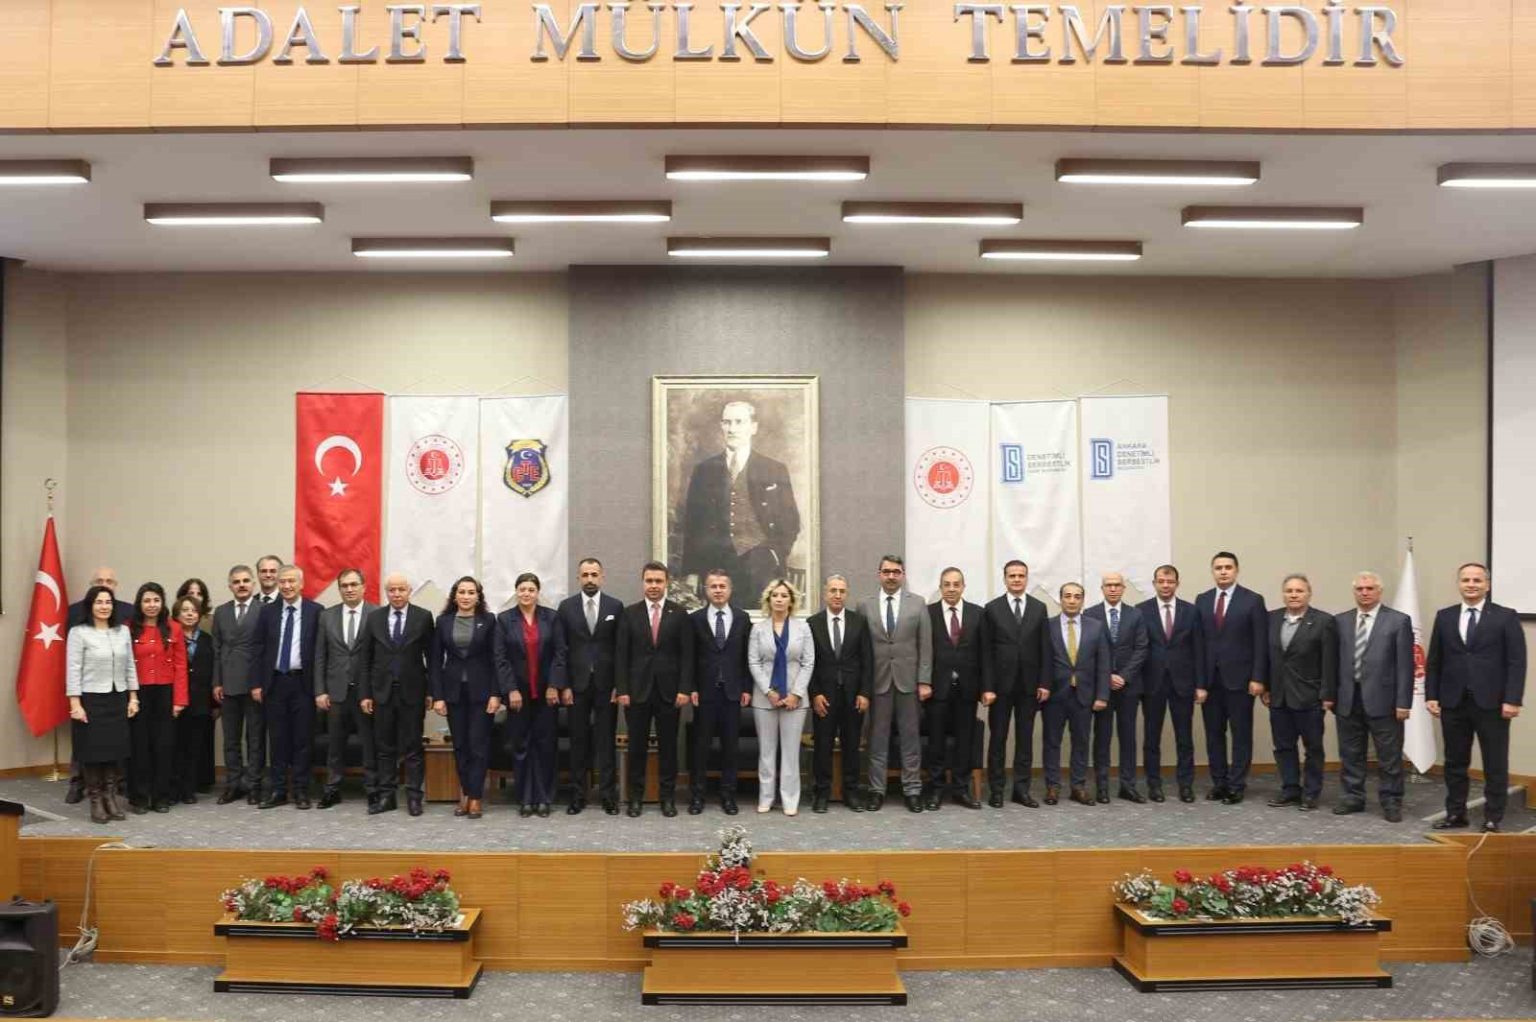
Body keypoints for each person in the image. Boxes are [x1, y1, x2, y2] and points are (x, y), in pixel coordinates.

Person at [1426, 562, 1526, 833]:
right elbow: (1435, 660)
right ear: (1459, 584)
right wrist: (1432, 695)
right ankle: (1455, 814)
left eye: (1477, 580)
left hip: (1492, 703)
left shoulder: (1505, 616)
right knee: (1454, 763)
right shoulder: (1445, 616)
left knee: (1495, 763)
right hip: (1453, 702)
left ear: (1487, 585)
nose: (1471, 585)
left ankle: (1493, 817)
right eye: (1466, 580)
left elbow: (1517, 662)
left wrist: (1513, 699)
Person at [680, 400, 801, 603]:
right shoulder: (704, 470)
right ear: (721, 426)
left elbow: (791, 521)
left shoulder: (774, 469)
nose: (732, 428)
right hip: (715, 567)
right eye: (727, 422)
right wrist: (692, 571)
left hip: (761, 567)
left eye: (739, 422)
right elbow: (693, 525)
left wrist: (775, 554)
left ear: (753, 427)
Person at [1330, 571, 1414, 822]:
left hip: (1385, 701)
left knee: (1389, 756)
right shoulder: (1340, 621)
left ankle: (1391, 801)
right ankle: (1352, 797)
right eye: (1360, 589)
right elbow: (1332, 662)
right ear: (1354, 592)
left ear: (1380, 591)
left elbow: (1405, 666)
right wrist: (1331, 695)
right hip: (1348, 699)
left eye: (1370, 588)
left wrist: (1403, 702)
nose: (1364, 593)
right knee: (1350, 754)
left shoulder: (1398, 621)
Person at [615, 561, 695, 818]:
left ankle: (667, 798)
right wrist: (622, 689)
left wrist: (684, 688)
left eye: (658, 581)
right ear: (643, 583)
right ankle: (635, 798)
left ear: (666, 583)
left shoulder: (679, 614)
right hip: (637, 692)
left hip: (670, 693)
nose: (653, 586)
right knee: (636, 747)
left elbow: (687, 656)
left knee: (669, 748)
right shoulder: (629, 613)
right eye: (649, 581)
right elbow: (621, 655)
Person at [1194, 551, 1268, 805]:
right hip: (1211, 682)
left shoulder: (1253, 600)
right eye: (1218, 567)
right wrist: (1199, 683)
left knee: (1240, 735)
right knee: (1214, 735)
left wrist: (1258, 677)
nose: (1223, 571)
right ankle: (1220, 783)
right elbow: (1199, 644)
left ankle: (1236, 785)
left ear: (1236, 570)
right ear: (1212, 571)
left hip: (1241, 681)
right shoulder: (1202, 600)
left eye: (1228, 567)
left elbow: (1260, 642)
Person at [357, 573, 434, 816]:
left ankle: (414, 797)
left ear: (409, 591)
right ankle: (387, 796)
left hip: (413, 692)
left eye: (401, 589)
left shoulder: (423, 617)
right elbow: (365, 660)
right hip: (382, 693)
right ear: (386, 592)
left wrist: (431, 691)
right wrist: (365, 694)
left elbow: (432, 658)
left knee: (413, 747)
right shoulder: (374, 618)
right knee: (384, 747)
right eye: (392, 590)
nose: (397, 594)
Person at [859, 555, 931, 814]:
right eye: (886, 571)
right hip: (877, 683)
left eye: (896, 572)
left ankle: (912, 790)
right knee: (876, 740)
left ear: (903, 574)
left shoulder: (918, 603)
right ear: (879, 574)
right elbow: (861, 649)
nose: (891, 576)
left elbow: (925, 645)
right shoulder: (864, 605)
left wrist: (924, 680)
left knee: (910, 739)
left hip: (908, 682)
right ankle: (876, 790)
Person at [979, 560, 1052, 808]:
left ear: (1027, 578)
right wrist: (987, 687)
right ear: (1005, 579)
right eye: (1012, 576)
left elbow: (1045, 649)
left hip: (1029, 687)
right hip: (1000, 688)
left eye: (1021, 575)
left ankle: (1021, 790)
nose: (1017, 579)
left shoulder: (1039, 608)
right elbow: (986, 653)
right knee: (998, 740)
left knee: (1025, 740)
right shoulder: (992, 608)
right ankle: (996, 790)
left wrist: (1044, 683)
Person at [495, 573, 568, 817]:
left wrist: (554, 685)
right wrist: (511, 690)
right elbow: (500, 658)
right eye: (522, 589)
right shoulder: (504, 620)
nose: (526, 593)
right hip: (518, 695)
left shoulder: (552, 617)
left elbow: (560, 653)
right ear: (516, 591)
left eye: (531, 589)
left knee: (546, 746)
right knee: (521, 746)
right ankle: (525, 798)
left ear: (538, 593)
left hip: (547, 694)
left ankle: (544, 798)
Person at [555, 557, 624, 815]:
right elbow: (561, 649)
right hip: (576, 685)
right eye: (585, 575)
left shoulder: (615, 606)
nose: (590, 579)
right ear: (578, 578)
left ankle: (608, 796)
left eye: (594, 574)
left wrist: (620, 685)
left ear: (602, 577)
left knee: (606, 742)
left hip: (607, 685)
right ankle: (577, 796)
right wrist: (563, 685)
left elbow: (620, 649)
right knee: (578, 742)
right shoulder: (566, 608)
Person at [1262, 574, 1336, 812]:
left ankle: (1311, 793)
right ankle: (1290, 789)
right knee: (1283, 746)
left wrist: (1327, 694)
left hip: (1310, 696)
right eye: (1289, 591)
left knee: (1312, 748)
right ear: (1283, 594)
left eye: (1299, 591)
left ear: (1309, 594)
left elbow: (1329, 661)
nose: (1293, 595)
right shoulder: (1271, 618)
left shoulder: (1324, 621)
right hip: (1278, 695)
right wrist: (1265, 686)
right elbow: (1266, 657)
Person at [66, 586, 139, 825]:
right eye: (99, 602)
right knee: (93, 752)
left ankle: (110, 797)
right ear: (90, 605)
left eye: (108, 602)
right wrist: (75, 703)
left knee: (114, 751)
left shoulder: (122, 631)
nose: (104, 606)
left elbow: (130, 666)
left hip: (117, 697)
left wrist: (133, 697)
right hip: (90, 699)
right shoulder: (79, 632)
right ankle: (96, 800)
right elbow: (73, 669)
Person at [252, 565, 321, 810]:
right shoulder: (267, 612)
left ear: (301, 584)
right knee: (277, 739)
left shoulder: (316, 611)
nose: (287, 586)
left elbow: (321, 653)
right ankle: (278, 790)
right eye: (283, 582)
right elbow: (258, 649)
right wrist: (256, 683)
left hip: (303, 683)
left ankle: (301, 790)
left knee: (302, 739)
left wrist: (320, 688)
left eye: (292, 581)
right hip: (275, 683)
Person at [432, 576, 501, 820]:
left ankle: (475, 797)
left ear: (478, 597)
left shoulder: (489, 620)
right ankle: (465, 793)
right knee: (460, 745)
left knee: (478, 745)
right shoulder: (443, 622)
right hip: (453, 693)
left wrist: (496, 693)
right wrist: (438, 696)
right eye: (461, 592)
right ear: (454, 595)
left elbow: (496, 659)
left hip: (482, 693)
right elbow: (435, 662)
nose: (466, 596)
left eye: (471, 592)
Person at [746, 579, 815, 815]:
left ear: (791, 601)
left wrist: (796, 694)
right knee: (766, 752)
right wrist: (769, 691)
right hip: (765, 699)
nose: (779, 599)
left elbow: (808, 662)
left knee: (791, 752)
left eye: (784, 595)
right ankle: (766, 798)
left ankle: (790, 800)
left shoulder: (803, 628)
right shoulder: (758, 629)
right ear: (768, 599)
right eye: (775, 595)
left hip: (795, 700)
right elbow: (754, 662)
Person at [1136, 565, 1204, 803]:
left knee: (1184, 738)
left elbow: (1198, 649)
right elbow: (1138, 648)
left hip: (1183, 683)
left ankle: (1186, 785)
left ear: (1177, 583)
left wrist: (1200, 684)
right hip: (1152, 684)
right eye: (1161, 581)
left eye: (1170, 581)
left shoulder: (1191, 611)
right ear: (1154, 583)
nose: (1166, 585)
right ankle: (1154, 785)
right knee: (1151, 738)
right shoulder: (1141, 610)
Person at [807, 573, 872, 813]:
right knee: (822, 746)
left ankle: (851, 792)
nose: (837, 595)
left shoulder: (859, 622)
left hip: (853, 696)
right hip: (824, 696)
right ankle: (821, 793)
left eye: (842, 591)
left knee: (851, 745)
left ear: (847, 594)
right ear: (825, 593)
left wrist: (865, 693)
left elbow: (867, 661)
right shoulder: (812, 623)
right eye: (833, 590)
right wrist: (814, 693)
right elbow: (808, 663)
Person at [688, 570, 752, 815]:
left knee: (730, 747)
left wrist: (746, 687)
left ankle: (728, 795)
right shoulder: (695, 619)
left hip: (733, 692)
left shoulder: (742, 618)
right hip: (704, 693)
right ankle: (697, 796)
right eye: (713, 586)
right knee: (701, 747)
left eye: (722, 586)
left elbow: (747, 657)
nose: (717, 590)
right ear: (706, 590)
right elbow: (690, 657)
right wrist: (691, 687)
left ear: (730, 589)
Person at [313, 568, 378, 810]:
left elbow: (378, 657)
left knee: (369, 743)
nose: (349, 589)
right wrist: (320, 690)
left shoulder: (376, 614)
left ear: (363, 587)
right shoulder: (326, 616)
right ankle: (332, 789)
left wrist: (374, 691)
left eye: (353, 584)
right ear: (339, 589)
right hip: (336, 691)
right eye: (344, 585)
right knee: (335, 744)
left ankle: (372, 788)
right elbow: (320, 656)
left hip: (365, 693)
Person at [1041, 582, 1111, 806]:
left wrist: (1102, 695)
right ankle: (1052, 786)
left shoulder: (1096, 627)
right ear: (1060, 599)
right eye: (1067, 596)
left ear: (1082, 600)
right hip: (1054, 695)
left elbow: (1103, 663)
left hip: (1084, 694)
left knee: (1081, 741)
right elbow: (1041, 660)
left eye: (1077, 596)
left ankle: (1078, 786)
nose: (1072, 600)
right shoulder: (1047, 626)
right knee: (1052, 742)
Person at [1084, 572, 1149, 804]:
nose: (1113, 589)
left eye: (1117, 585)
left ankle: (1127, 786)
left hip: (1128, 687)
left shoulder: (1136, 614)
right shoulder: (1090, 614)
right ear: (1102, 588)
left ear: (1123, 588)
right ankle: (1102, 787)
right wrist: (1106, 676)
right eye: (1108, 585)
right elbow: (1087, 651)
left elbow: (1142, 648)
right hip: (1101, 688)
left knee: (1128, 737)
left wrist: (1123, 676)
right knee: (1102, 738)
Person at [925, 567, 985, 810]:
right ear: (940, 587)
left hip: (967, 689)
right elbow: (921, 652)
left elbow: (985, 654)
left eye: (956, 584)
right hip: (936, 689)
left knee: (965, 740)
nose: (951, 589)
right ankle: (936, 789)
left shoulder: (977, 613)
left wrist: (986, 687)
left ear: (963, 587)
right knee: (936, 741)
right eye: (946, 584)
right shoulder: (927, 613)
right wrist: (922, 682)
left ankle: (961, 789)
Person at [126, 582, 188, 814]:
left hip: (165, 692)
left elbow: (181, 666)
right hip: (138, 693)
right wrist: (129, 697)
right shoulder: (129, 628)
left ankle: (162, 796)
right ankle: (140, 798)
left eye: (156, 600)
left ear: (162, 603)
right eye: (147, 601)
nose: (151, 605)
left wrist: (179, 700)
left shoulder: (174, 628)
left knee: (164, 746)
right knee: (139, 746)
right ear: (139, 604)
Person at [211, 564, 267, 805]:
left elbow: (266, 650)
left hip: (254, 685)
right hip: (228, 684)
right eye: (236, 582)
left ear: (253, 584)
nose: (241, 585)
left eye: (245, 581)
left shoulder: (264, 610)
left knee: (254, 739)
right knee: (231, 739)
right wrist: (217, 682)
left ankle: (254, 785)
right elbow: (216, 649)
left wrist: (261, 683)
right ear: (230, 586)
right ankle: (233, 784)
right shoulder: (221, 612)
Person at [172, 595, 215, 805]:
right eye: (185, 610)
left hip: (200, 702)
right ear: (177, 614)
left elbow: (213, 672)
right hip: (175, 702)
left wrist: (215, 704)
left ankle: (189, 789)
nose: (189, 614)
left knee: (194, 747)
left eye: (194, 611)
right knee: (175, 746)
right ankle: (174, 788)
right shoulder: (170, 637)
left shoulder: (207, 640)